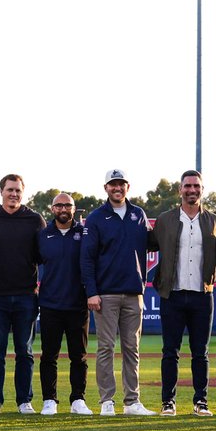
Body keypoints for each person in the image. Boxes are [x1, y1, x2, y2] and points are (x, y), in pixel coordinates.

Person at [148, 170, 216, 416]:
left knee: (200, 352)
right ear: (179, 190)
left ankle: (200, 401)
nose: (192, 190)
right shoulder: (165, 219)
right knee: (170, 351)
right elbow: (147, 244)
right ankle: (168, 402)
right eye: (187, 186)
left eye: (196, 186)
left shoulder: (214, 221)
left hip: (202, 295)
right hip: (172, 294)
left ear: (202, 190)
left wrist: (211, 274)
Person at [81, 169, 156, 416]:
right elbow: (87, 258)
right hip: (106, 294)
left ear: (127, 187)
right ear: (106, 188)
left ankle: (132, 402)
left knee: (131, 348)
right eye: (113, 184)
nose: (117, 188)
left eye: (121, 184)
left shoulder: (138, 214)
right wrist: (91, 292)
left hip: (134, 292)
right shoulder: (95, 218)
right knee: (105, 348)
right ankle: (106, 401)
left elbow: (153, 243)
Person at [0, 174, 44, 415]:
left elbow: (43, 251)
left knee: (25, 351)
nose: (13, 194)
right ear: (1, 191)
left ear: (22, 193)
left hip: (25, 294)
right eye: (9, 190)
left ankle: (25, 400)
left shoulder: (34, 219)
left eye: (17, 190)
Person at [37, 193, 91, 416]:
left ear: (74, 208)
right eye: (58, 205)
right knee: (49, 355)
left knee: (79, 356)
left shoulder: (84, 233)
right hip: (50, 304)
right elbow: (32, 262)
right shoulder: (42, 235)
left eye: (67, 205)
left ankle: (78, 399)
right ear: (52, 209)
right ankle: (50, 399)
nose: (63, 209)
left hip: (78, 305)